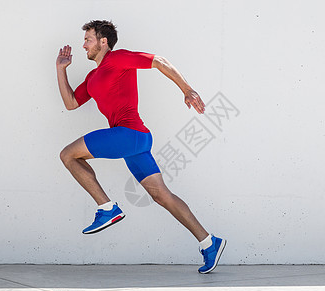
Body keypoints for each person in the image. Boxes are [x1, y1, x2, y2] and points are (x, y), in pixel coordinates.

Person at [56, 20, 225, 273]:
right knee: (161, 195)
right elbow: (70, 103)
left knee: (68, 155)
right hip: (136, 141)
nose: (84, 45)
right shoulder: (92, 77)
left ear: (104, 42)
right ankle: (209, 242)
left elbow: (159, 61)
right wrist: (61, 69)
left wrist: (187, 89)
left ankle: (107, 208)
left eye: (88, 39)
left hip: (128, 134)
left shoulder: (119, 58)